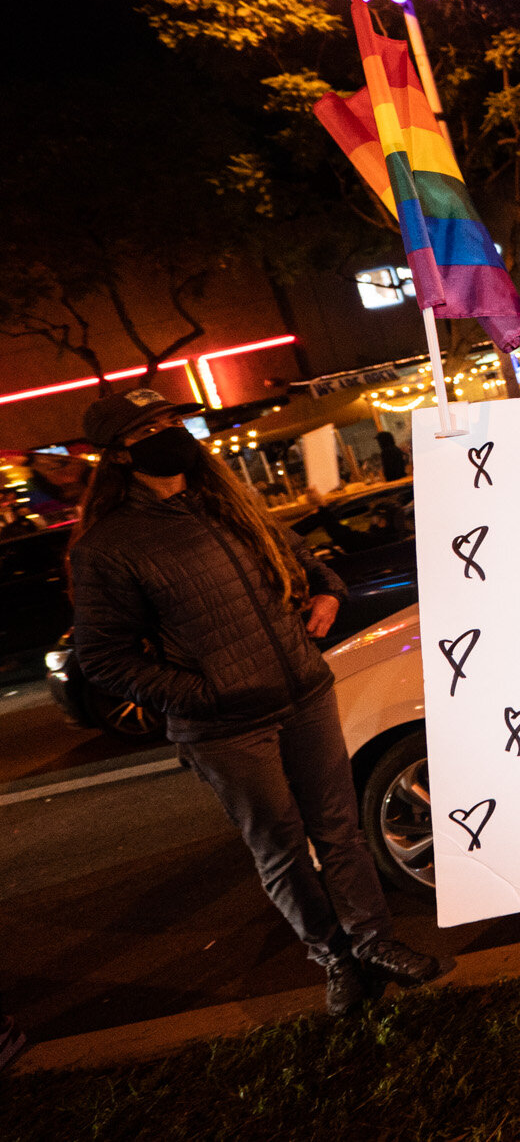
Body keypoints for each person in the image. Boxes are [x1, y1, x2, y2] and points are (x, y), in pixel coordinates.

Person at [68, 388, 450, 1015]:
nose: (174, 433)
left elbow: (310, 566)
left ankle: (376, 944)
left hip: (304, 696)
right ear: (117, 456)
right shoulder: (108, 546)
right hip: (224, 729)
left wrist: (326, 594)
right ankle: (335, 961)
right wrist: (206, 694)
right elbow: (104, 659)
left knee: (340, 833)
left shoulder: (225, 506)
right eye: (152, 429)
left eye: (174, 421)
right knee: (280, 848)